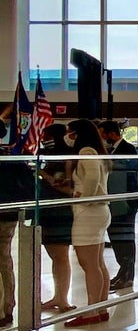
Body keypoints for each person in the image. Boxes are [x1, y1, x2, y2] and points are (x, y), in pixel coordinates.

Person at [65, 119, 111, 327]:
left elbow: (92, 178)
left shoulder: (85, 152)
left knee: (89, 263)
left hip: (89, 212)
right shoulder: (97, 151)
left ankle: (92, 310)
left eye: (70, 132)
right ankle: (100, 307)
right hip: (99, 211)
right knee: (98, 262)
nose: (68, 136)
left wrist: (83, 197)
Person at [0, 121, 36, 328]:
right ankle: (7, 308)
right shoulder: (13, 159)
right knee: (4, 260)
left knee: (4, 261)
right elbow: (29, 187)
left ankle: (5, 308)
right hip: (9, 215)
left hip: (5, 214)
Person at [37, 123, 76, 313]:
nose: (45, 139)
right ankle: (58, 295)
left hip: (60, 211)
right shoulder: (47, 156)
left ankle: (63, 298)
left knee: (60, 255)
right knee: (54, 256)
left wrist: (45, 176)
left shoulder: (67, 156)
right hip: (47, 209)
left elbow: (64, 184)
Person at [100, 121, 138, 290]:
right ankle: (122, 272)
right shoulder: (108, 150)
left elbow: (128, 168)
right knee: (116, 238)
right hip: (113, 201)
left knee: (125, 238)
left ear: (112, 134)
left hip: (125, 201)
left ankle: (127, 274)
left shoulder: (128, 149)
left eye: (103, 134)